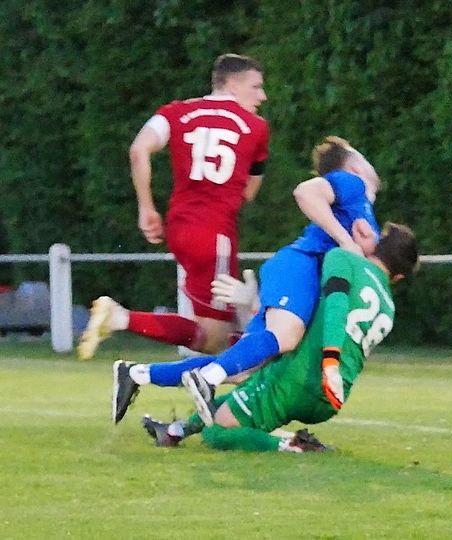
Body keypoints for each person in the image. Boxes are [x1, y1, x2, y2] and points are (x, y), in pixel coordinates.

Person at [110, 136, 382, 424]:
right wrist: (346, 240)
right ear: (353, 167)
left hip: (300, 275)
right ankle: (208, 378)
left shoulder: (363, 207)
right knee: (285, 337)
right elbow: (305, 192)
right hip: (300, 267)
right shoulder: (355, 186)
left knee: (245, 369)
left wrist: (356, 245)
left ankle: (136, 373)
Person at [141, 223, 419, 453]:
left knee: (217, 433)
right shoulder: (389, 308)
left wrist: (330, 360)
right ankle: (174, 432)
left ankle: (292, 445)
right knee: (235, 397)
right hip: (331, 396)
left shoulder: (344, 258)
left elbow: (336, 306)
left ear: (377, 244)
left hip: (300, 377)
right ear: (397, 277)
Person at [78, 53, 270, 359]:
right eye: (256, 86)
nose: (262, 96)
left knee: (220, 327)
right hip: (215, 234)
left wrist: (146, 207)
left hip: (180, 229)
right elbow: (249, 191)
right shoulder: (256, 127)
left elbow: (139, 150)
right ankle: (121, 319)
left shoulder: (176, 112)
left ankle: (230, 386)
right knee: (215, 340)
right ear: (232, 84)